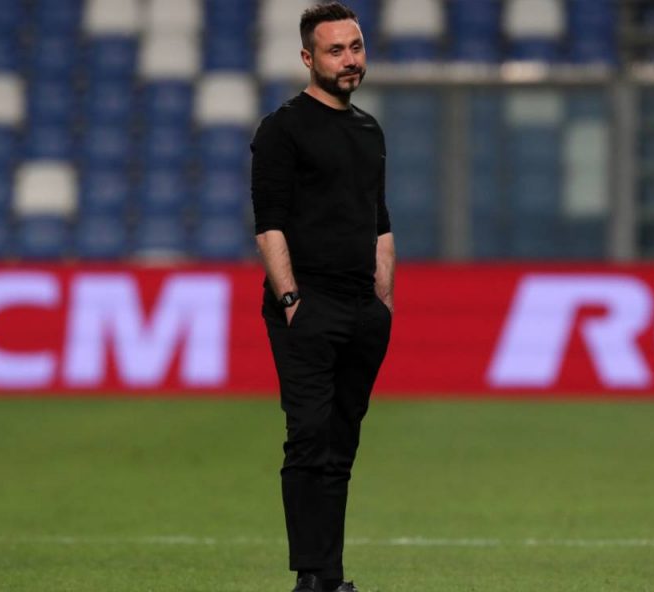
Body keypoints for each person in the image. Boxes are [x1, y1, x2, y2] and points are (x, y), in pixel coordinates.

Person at [250, 3, 395, 591]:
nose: (349, 60)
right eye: (336, 50)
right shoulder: (282, 129)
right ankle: (311, 578)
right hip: (308, 304)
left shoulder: (369, 130)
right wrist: (290, 300)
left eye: (355, 47)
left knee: (341, 444)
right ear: (308, 59)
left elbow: (379, 223)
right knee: (309, 436)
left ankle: (328, 579)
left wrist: (383, 304)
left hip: (363, 309)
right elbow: (269, 224)